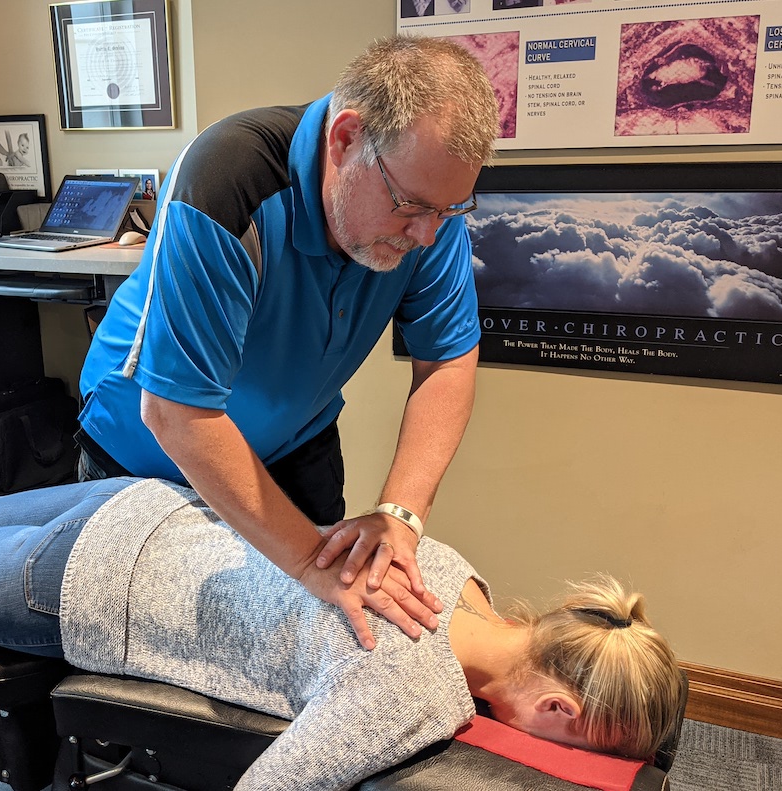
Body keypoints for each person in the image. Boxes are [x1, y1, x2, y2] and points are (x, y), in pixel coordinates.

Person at [0, 455, 687, 791]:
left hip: (150, 506)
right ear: (557, 706)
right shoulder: (413, 689)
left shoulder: (447, 566)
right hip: (86, 589)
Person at [75, 36, 500, 649]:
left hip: (293, 441)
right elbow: (176, 411)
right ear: (346, 138)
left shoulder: (428, 213)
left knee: (314, 637)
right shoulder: (231, 179)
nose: (429, 235)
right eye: (409, 205)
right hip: (145, 451)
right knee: (141, 653)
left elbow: (448, 361)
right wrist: (306, 563)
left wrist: (402, 518)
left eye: (450, 209)